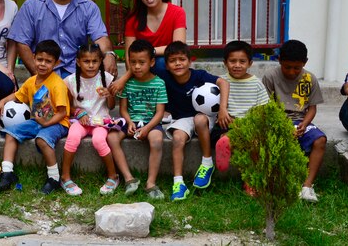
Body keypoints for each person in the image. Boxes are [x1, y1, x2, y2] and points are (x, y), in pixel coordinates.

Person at [7, 0, 117, 78]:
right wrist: (39, 75)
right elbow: (22, 43)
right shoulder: (32, 6)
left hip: (78, 74)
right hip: (44, 72)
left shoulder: (89, 7)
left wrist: (109, 54)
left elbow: (100, 37)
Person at [156, 41, 230, 202]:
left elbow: (223, 83)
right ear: (166, 66)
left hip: (203, 118)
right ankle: (178, 183)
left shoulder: (199, 76)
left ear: (190, 62)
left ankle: (207, 163)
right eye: (172, 60)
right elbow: (142, 65)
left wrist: (223, 108)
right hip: (181, 119)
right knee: (177, 138)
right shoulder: (164, 78)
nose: (178, 63)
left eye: (182, 59)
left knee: (199, 118)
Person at [109, 0, 186, 121]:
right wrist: (129, 74)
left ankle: (168, 108)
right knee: (148, 65)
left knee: (161, 63)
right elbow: (129, 55)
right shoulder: (134, 19)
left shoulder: (177, 12)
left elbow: (178, 46)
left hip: (169, 64)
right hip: (143, 66)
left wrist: (149, 53)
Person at [0, 40, 70, 194]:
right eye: (40, 59)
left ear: (56, 63)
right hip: (37, 121)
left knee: (42, 140)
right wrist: (2, 100)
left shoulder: (58, 84)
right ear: (33, 58)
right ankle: (8, 173)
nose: (43, 64)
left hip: (58, 123)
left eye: (48, 61)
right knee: (10, 134)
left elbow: (63, 113)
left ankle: (54, 178)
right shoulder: (31, 81)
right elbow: (18, 96)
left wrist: (47, 123)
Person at [261, 40, 326, 202]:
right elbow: (266, 107)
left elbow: (312, 108)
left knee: (320, 140)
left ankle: (307, 187)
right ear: (279, 60)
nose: (291, 72)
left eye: (296, 68)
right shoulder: (270, 77)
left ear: (305, 63)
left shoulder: (310, 79)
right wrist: (283, 126)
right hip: (276, 120)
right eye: (287, 67)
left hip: (301, 121)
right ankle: (279, 183)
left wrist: (304, 124)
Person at [107, 39, 168, 199]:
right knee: (112, 137)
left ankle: (151, 183)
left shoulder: (159, 84)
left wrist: (147, 128)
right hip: (130, 121)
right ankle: (129, 179)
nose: (137, 67)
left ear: (152, 62)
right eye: (133, 62)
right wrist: (129, 122)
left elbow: (160, 113)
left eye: (142, 62)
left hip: (150, 122)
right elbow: (123, 109)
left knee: (156, 140)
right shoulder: (127, 84)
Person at [60, 43, 118, 196]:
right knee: (72, 137)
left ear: (101, 61)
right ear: (78, 62)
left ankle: (113, 176)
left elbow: (111, 106)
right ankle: (65, 176)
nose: (91, 65)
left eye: (95, 61)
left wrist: (109, 95)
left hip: (101, 120)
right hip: (81, 121)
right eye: (86, 61)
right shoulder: (70, 81)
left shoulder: (107, 78)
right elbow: (66, 107)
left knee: (98, 140)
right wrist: (78, 112)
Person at [213, 40, 269, 195]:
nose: (237, 65)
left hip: (249, 124)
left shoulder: (256, 83)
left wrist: (251, 123)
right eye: (232, 61)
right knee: (236, 134)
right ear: (225, 63)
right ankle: (249, 182)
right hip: (227, 122)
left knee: (254, 143)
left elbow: (262, 109)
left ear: (250, 63)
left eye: (242, 61)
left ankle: (249, 180)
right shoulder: (221, 81)